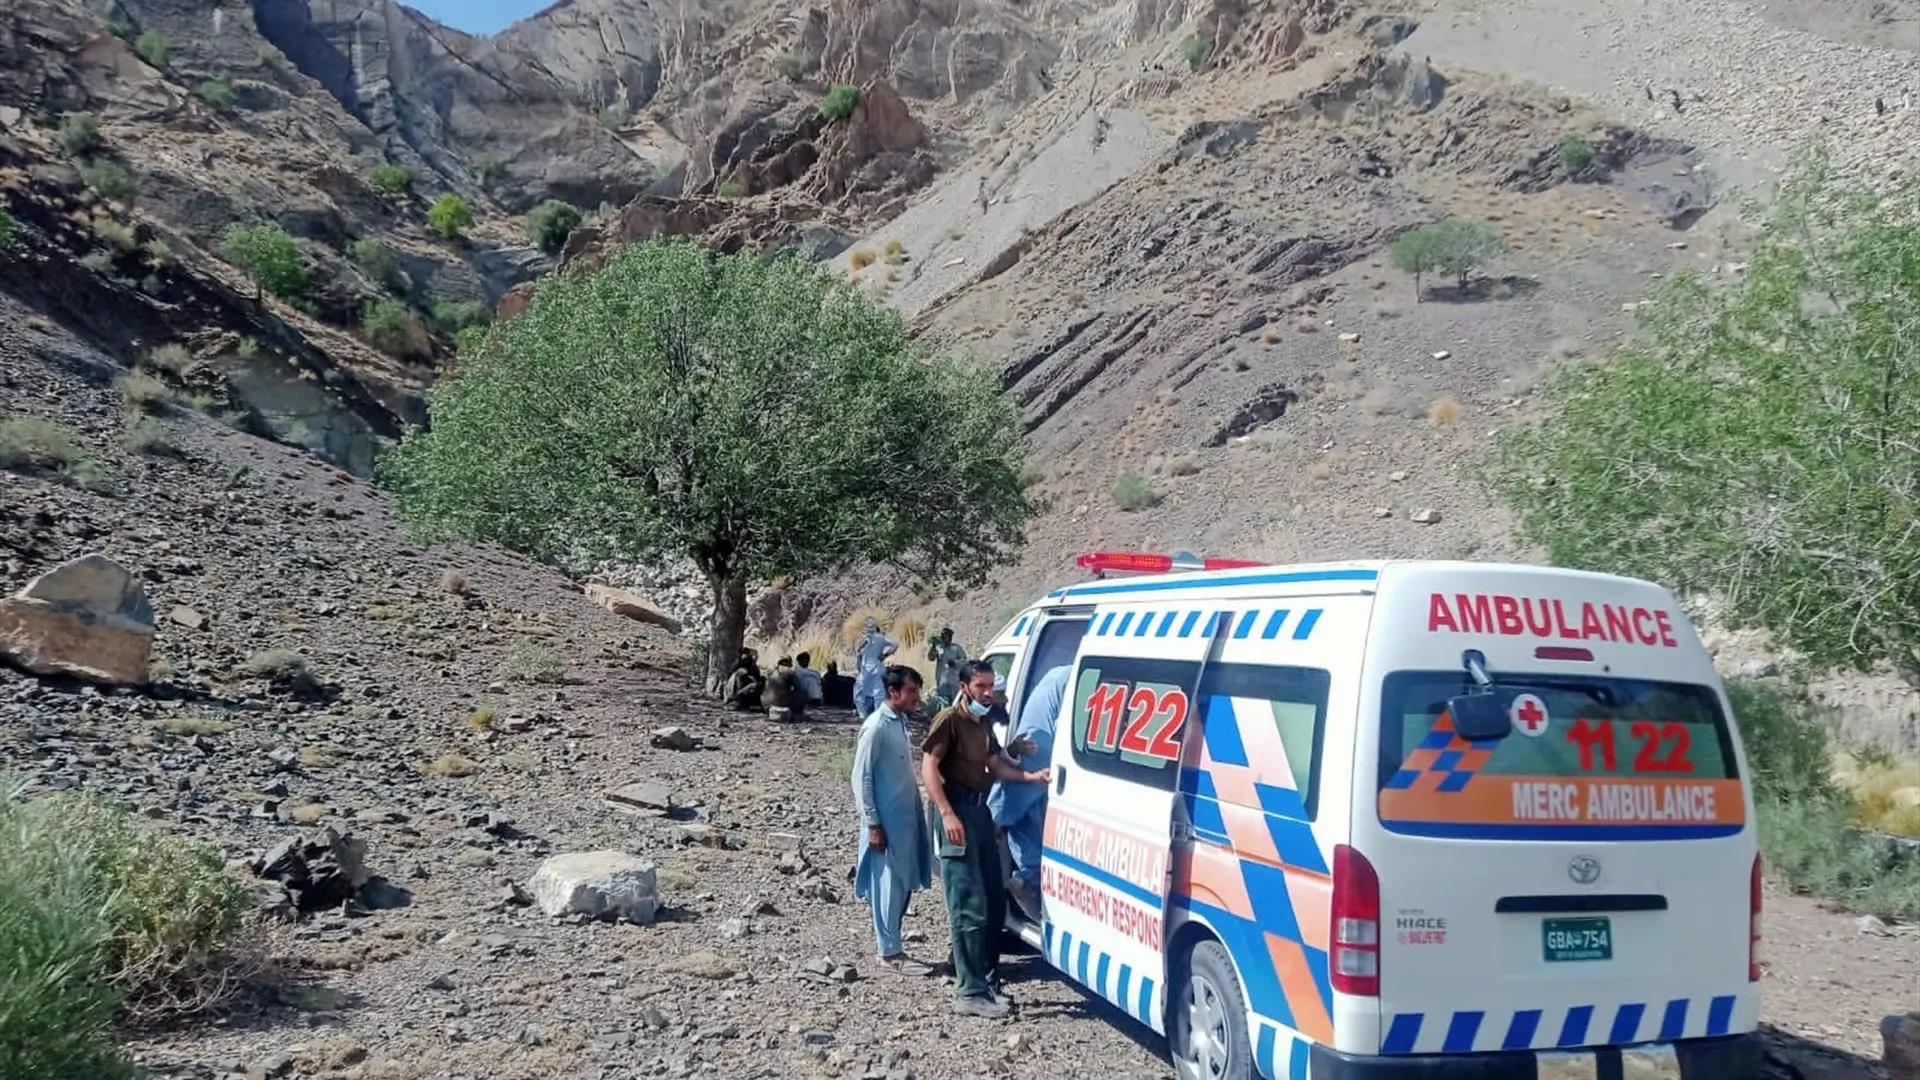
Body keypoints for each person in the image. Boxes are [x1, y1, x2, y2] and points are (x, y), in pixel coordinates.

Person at [921, 661, 1049, 1018]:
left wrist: (1030, 776)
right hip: (957, 810)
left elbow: (995, 764)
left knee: (994, 900)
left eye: (991, 686)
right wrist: (946, 812)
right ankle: (970, 991)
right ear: (964, 686)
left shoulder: (983, 722)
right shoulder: (950, 720)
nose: (988, 693)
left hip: (980, 813)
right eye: (980, 686)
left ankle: (988, 980)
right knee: (968, 904)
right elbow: (929, 766)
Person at [852, 666, 937, 976]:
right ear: (893, 692)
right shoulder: (875, 727)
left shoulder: (899, 723)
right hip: (885, 823)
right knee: (887, 885)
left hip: (903, 819)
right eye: (912, 691)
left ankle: (893, 946)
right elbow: (861, 778)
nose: (917, 697)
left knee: (901, 884)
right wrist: (873, 824)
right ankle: (889, 954)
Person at [989, 664, 1070, 919]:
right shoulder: (1067, 677)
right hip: (1036, 753)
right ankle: (1027, 879)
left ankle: (1027, 879)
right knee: (1014, 811)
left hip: (1032, 757)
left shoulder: (1057, 676)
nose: (1005, 698)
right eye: (1000, 693)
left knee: (1024, 815)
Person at [853, 617, 898, 718]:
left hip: (866, 669)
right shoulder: (881, 638)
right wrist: (885, 655)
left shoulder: (863, 639)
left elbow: (858, 654)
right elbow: (895, 644)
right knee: (879, 693)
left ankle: (862, 714)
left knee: (860, 693)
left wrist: (859, 668)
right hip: (878, 667)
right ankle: (878, 715)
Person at [928, 628, 968, 704]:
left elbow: (964, 661)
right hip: (942, 682)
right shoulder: (939, 648)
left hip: (954, 682)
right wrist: (933, 646)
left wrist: (955, 662)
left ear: (950, 638)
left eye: (946, 637)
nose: (944, 639)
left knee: (955, 703)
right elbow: (931, 658)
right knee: (943, 704)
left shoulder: (956, 648)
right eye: (943, 636)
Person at [765, 656, 804, 723]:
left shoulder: (770, 672)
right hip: (782, 702)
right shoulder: (789, 672)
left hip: (767, 704)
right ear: (785, 662)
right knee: (802, 693)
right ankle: (796, 715)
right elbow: (799, 687)